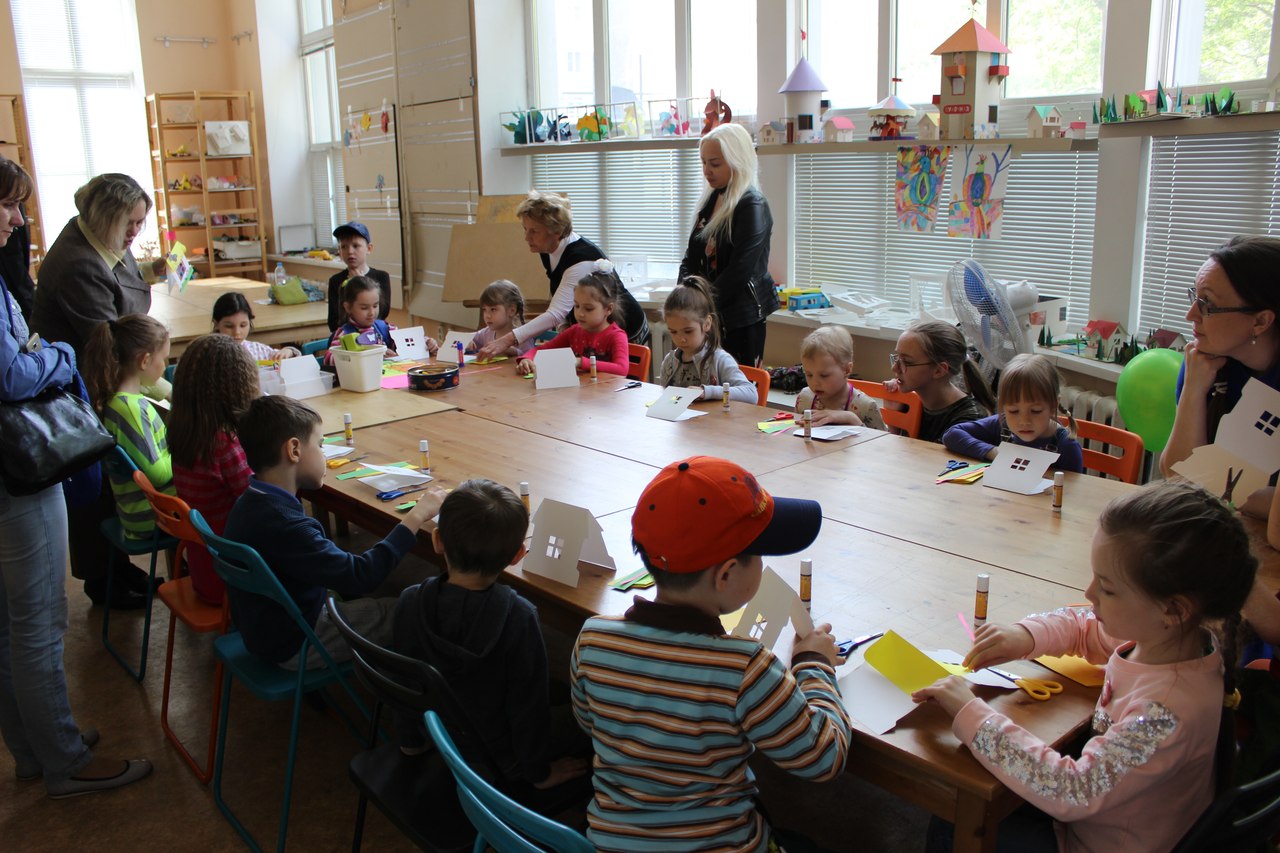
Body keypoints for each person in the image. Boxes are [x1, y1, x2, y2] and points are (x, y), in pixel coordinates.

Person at [915, 480, 1257, 853]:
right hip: (1099, 816)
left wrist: (971, 712)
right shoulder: (1170, 640)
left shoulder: (1165, 711)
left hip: (1095, 841)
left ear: (1173, 609)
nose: (1089, 593)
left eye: (1107, 588)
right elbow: (1083, 627)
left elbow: (1071, 790)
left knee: (954, 818)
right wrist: (1025, 636)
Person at [571, 456, 850, 852]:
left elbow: (590, 723)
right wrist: (813, 663)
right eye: (760, 555)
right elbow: (824, 758)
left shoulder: (592, 638)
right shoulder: (745, 668)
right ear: (726, 575)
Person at [0, 156, 151, 798]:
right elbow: (14, 371)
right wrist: (59, 353)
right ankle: (63, 760)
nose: (17, 220)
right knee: (37, 625)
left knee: (11, 625)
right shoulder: (74, 263)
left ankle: (34, 750)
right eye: (8, 205)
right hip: (19, 466)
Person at [393, 479, 590, 812]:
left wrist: (411, 742)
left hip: (435, 734)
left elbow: (403, 679)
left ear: (437, 541)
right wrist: (538, 773)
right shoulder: (519, 616)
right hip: (499, 758)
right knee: (581, 716)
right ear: (517, 556)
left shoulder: (410, 600)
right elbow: (527, 708)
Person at [224, 395, 445, 668]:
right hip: (300, 640)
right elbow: (362, 575)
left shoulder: (250, 502)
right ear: (294, 450)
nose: (324, 453)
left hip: (265, 631)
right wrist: (416, 516)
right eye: (320, 445)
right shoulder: (285, 524)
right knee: (412, 610)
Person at [32, 172, 162, 606]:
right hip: (80, 389)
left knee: (109, 487)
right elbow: (111, 343)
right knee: (95, 488)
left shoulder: (104, 238)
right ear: (107, 217)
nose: (136, 231)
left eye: (141, 222)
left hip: (101, 381)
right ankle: (103, 581)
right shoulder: (79, 264)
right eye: (131, 223)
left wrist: (152, 270)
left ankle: (117, 569)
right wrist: (160, 385)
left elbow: (125, 283)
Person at [1161, 236, 1280, 523]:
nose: (1191, 314)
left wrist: (1222, 491)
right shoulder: (1203, 361)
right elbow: (1178, 477)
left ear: (1260, 321)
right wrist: (1193, 389)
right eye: (1195, 297)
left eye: (1208, 304)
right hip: (1219, 527)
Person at [473, 191, 649, 359]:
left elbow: (555, 313)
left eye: (534, 231)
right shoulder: (547, 248)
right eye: (525, 229)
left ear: (556, 231)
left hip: (625, 328)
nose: (527, 237)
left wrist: (506, 340)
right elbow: (562, 297)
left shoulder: (580, 260)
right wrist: (564, 326)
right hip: (593, 329)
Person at [678, 123, 779, 367]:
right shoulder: (712, 199)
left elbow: (739, 271)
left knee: (736, 385)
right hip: (707, 314)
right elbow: (691, 256)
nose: (706, 171)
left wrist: (699, 306)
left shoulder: (752, 205)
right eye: (703, 162)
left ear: (737, 161)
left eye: (714, 164)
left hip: (739, 319)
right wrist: (682, 295)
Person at [169, 334, 259, 606]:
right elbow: (262, 500)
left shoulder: (186, 430)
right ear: (238, 387)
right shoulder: (223, 442)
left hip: (206, 568)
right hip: (236, 581)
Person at [84, 314, 175, 540]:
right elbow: (158, 474)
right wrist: (185, 451)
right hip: (152, 515)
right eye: (164, 359)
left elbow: (149, 385)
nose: (164, 366)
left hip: (144, 510)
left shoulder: (120, 395)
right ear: (144, 361)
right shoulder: (130, 410)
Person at [943, 352, 1084, 472]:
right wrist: (994, 452)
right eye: (1014, 411)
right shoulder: (1002, 424)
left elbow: (1075, 491)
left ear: (1054, 405)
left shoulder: (1067, 447)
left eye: (1035, 411)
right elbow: (952, 435)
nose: (1024, 421)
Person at [884, 321, 995, 442]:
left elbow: (923, 454)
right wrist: (893, 421)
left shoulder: (970, 421)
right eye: (897, 358)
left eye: (906, 362)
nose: (894, 368)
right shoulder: (907, 404)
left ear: (939, 370)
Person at [658, 276, 756, 403]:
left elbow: (751, 394)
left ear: (707, 323)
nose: (680, 339)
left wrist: (706, 392)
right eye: (673, 332)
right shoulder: (669, 362)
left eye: (688, 331)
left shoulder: (720, 360)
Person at [515, 268, 629, 377]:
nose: (580, 313)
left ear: (608, 309)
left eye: (588, 309)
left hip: (608, 390)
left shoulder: (616, 336)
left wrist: (581, 362)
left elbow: (622, 369)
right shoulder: (574, 331)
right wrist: (526, 359)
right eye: (577, 306)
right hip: (581, 389)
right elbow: (540, 350)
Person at [796, 326, 887, 430]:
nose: (815, 383)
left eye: (824, 375)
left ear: (847, 370)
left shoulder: (865, 407)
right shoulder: (804, 399)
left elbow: (883, 439)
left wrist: (852, 419)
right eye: (809, 374)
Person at [327, 221, 392, 333]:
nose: (350, 251)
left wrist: (361, 282)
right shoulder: (335, 280)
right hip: (346, 337)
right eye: (344, 247)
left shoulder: (381, 277)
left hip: (375, 335)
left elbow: (381, 314)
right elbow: (334, 323)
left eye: (356, 246)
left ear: (369, 248)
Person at [212, 291, 300, 361]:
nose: (237, 332)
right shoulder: (209, 355)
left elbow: (288, 357)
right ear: (216, 324)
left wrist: (289, 351)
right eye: (229, 326)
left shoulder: (257, 350)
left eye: (243, 325)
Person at [467, 279, 525, 358]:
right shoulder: (485, 334)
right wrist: (467, 342)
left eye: (493, 309)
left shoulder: (523, 335)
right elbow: (464, 338)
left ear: (512, 310)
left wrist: (512, 351)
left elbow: (531, 356)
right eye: (484, 309)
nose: (487, 315)